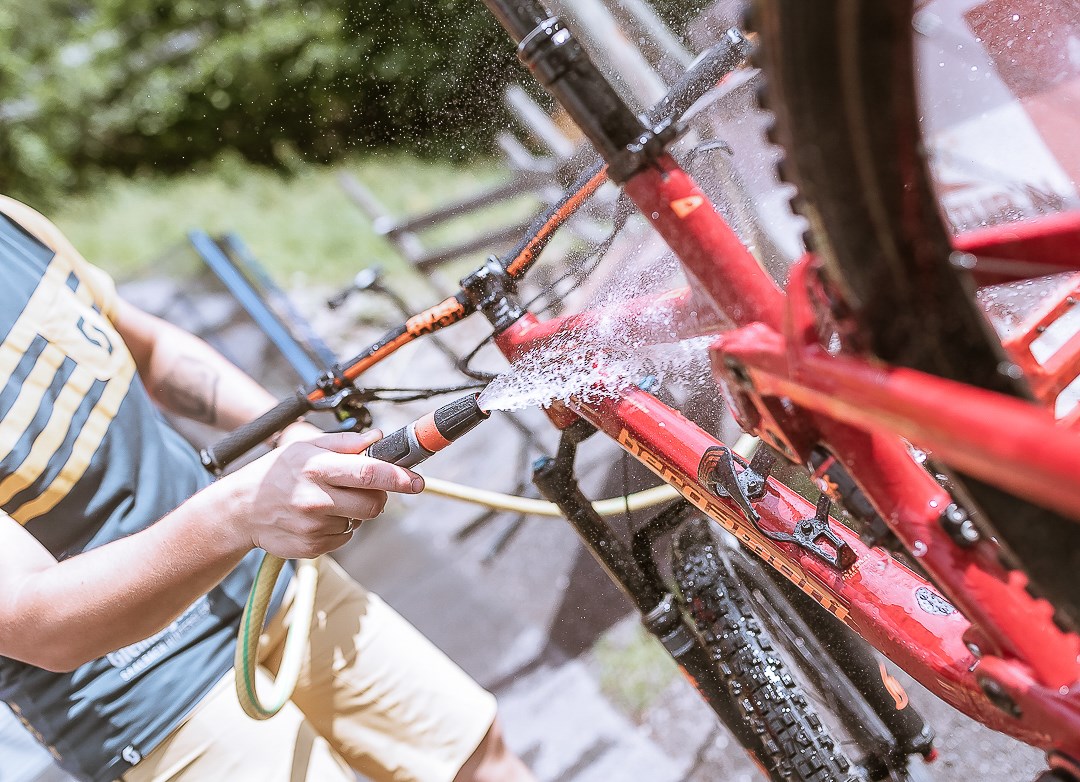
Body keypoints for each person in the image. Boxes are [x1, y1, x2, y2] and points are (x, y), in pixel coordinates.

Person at [0, 194, 535, 782]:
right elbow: (38, 623)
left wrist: (289, 435)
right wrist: (235, 515)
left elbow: (148, 350)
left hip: (261, 575)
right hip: (143, 685)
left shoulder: (10, 223)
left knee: (477, 760)